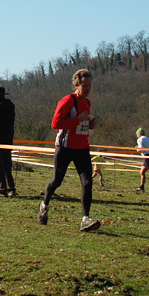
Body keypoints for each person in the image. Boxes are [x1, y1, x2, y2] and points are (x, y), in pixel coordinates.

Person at [38, 69, 101, 232]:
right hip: (64, 148)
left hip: (82, 147)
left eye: (89, 86)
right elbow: (55, 123)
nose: (87, 89)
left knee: (87, 182)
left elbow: (83, 125)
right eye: (84, 86)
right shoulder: (67, 101)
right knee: (57, 181)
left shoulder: (87, 103)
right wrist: (76, 120)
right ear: (76, 85)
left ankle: (85, 219)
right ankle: (44, 204)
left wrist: (90, 125)